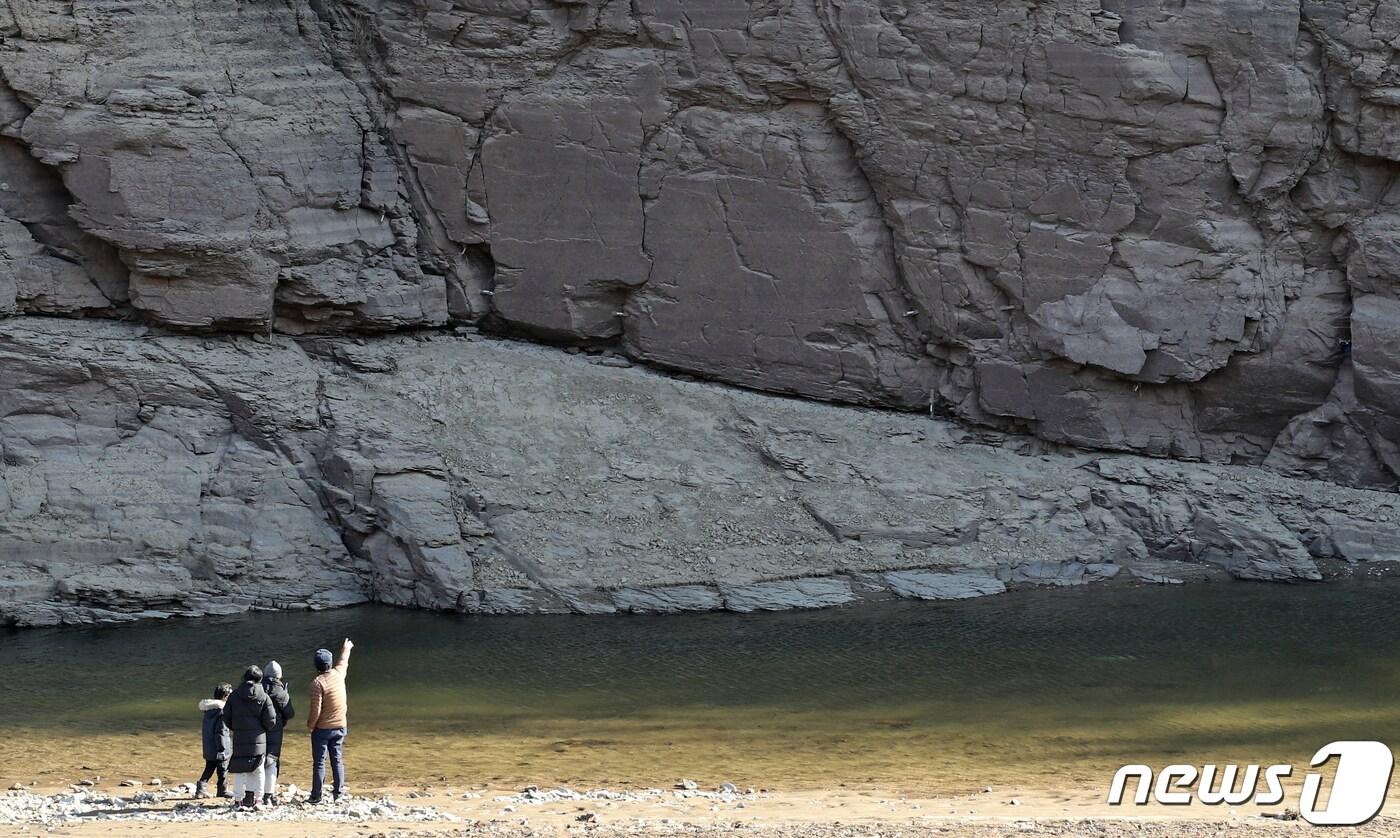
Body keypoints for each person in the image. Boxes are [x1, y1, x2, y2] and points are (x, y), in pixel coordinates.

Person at [222, 665, 277, 810]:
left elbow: (226, 717)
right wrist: (263, 729)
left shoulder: (234, 696)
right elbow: (272, 720)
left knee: (239, 769)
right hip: (258, 739)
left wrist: (236, 727)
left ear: (245, 678)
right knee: (258, 769)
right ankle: (258, 801)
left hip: (240, 737)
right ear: (259, 679)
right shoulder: (264, 696)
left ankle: (238, 800)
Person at [306, 637, 353, 804]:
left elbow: (316, 710)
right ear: (329, 663)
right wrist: (346, 647)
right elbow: (344, 661)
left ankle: (316, 796)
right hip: (341, 726)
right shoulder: (339, 674)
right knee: (337, 759)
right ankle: (338, 793)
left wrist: (310, 726)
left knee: (319, 762)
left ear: (316, 666)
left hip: (323, 729)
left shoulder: (317, 683)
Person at [262, 660, 295, 806]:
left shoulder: (258, 688)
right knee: (273, 760)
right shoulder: (280, 692)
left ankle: (255, 793)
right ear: (279, 677)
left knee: (258, 761)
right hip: (275, 731)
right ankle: (268, 795)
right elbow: (290, 712)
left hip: (257, 731)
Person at [195, 683, 233, 799]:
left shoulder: (209, 711)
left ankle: (201, 790)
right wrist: (222, 749)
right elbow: (221, 732)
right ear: (226, 696)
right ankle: (222, 790)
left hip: (209, 746)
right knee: (222, 769)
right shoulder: (222, 712)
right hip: (219, 747)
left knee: (209, 767)